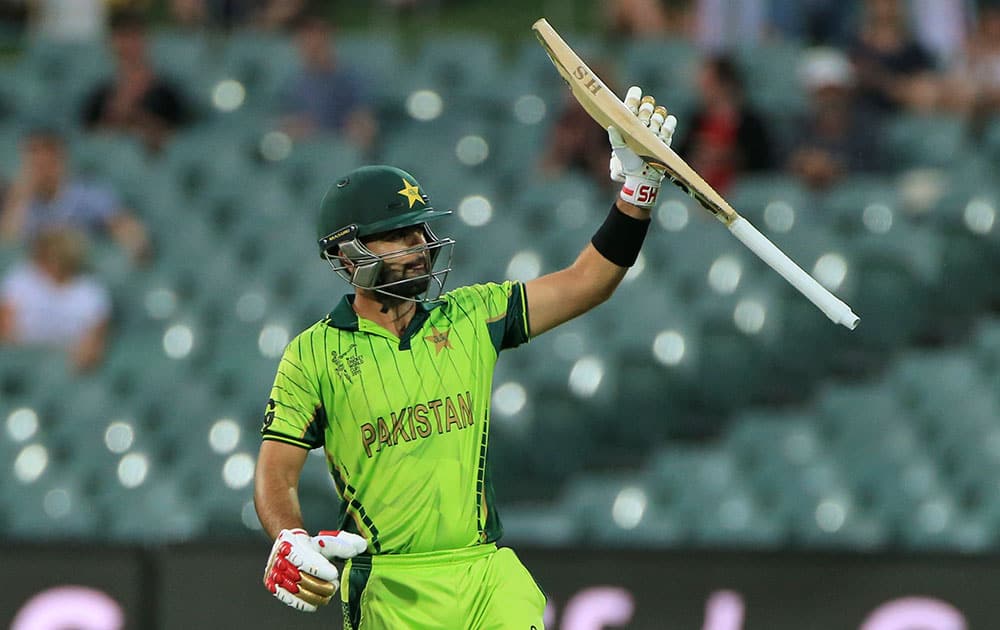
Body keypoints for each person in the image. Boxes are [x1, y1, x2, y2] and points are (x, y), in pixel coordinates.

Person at [253, 87, 677, 627]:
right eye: (395, 236)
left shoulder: (471, 315)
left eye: (418, 230)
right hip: (391, 587)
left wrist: (637, 192)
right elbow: (276, 474)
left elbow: (587, 283)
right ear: (347, 253)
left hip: (485, 576)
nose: (419, 246)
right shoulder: (313, 355)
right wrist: (289, 536)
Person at [0, 129, 150, 263]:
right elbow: (7, 247)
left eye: (44, 162)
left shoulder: (87, 193)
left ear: (59, 160)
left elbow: (127, 229)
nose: (39, 170)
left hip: (81, 276)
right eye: (32, 162)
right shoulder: (22, 201)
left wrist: (133, 247)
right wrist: (21, 196)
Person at [0, 227, 111, 372]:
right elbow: (4, 331)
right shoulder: (21, 278)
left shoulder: (92, 294)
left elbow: (91, 350)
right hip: (19, 363)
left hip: (62, 370)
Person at [81, 11, 188, 152]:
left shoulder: (167, 94)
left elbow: (177, 142)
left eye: (133, 37)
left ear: (145, 41)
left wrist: (136, 116)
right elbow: (91, 142)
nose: (127, 45)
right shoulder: (99, 96)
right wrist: (116, 112)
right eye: (121, 37)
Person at [674, 55, 773, 195]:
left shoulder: (752, 123)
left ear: (725, 84)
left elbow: (762, 162)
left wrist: (729, 156)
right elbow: (679, 157)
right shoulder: (695, 120)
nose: (702, 89)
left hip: (739, 193)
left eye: (708, 84)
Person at [279, 14, 377, 152]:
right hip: (308, 148)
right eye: (306, 44)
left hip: (342, 147)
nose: (311, 50)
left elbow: (363, 118)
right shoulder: (294, 83)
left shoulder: (351, 78)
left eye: (317, 45)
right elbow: (287, 119)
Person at [788, 48, 881, 190]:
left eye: (837, 92)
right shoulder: (795, 128)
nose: (831, 100)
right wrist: (803, 166)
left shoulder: (868, 128)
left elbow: (875, 169)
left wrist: (836, 168)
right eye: (823, 93)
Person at [849, 0, 941, 116]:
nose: (884, 8)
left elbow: (924, 83)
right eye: (878, 3)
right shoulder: (857, 46)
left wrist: (893, 86)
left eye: (890, 3)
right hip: (867, 112)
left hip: (907, 110)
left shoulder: (912, 47)